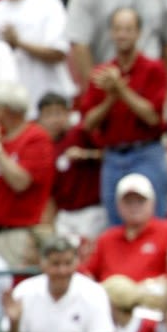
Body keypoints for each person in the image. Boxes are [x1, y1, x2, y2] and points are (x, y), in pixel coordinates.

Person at [77, 6, 167, 224]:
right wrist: (110, 98)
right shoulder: (101, 73)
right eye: (118, 29)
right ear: (110, 33)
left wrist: (120, 89)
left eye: (128, 29)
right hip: (113, 155)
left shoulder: (153, 69)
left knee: (154, 219)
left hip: (147, 152)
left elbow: (152, 117)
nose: (122, 35)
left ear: (138, 33)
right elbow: (88, 123)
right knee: (115, 220)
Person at [2, 235, 116, 332]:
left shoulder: (93, 293)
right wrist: (14, 324)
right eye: (55, 264)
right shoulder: (24, 292)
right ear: (42, 264)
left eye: (68, 263)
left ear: (77, 263)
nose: (62, 271)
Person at [0, 0, 76, 117]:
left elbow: (58, 53)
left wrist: (19, 43)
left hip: (51, 101)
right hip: (15, 108)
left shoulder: (49, 5)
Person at [81, 172, 167, 302]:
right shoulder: (106, 238)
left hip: (151, 307)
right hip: (110, 306)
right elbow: (86, 274)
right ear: (118, 205)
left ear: (152, 203)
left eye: (140, 201)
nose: (134, 207)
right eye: (128, 202)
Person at [0, 82, 54, 269]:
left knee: (10, 286)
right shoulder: (1, 135)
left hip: (17, 232)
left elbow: (20, 182)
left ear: (8, 110)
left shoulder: (36, 138)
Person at [38, 91, 105, 253]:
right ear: (40, 119)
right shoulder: (44, 148)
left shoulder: (81, 133)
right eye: (48, 115)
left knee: (87, 252)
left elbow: (110, 155)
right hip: (65, 214)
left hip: (91, 209)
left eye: (59, 113)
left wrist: (86, 154)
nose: (54, 120)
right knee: (64, 254)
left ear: (68, 114)